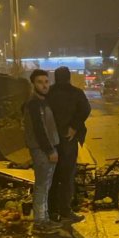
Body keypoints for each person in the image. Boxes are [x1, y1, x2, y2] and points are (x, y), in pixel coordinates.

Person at [47, 66, 91, 223]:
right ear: (69, 77)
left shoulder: (47, 93)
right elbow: (85, 109)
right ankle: (65, 210)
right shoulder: (76, 93)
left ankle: (52, 211)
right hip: (68, 140)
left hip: (51, 141)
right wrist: (74, 127)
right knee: (67, 176)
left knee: (52, 176)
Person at [24, 69, 61, 233]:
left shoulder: (43, 101)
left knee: (45, 185)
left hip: (45, 149)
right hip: (42, 151)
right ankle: (40, 222)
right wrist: (50, 150)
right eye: (40, 82)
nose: (44, 85)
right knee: (42, 186)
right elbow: (39, 130)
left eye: (46, 82)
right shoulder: (34, 104)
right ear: (33, 84)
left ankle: (44, 219)